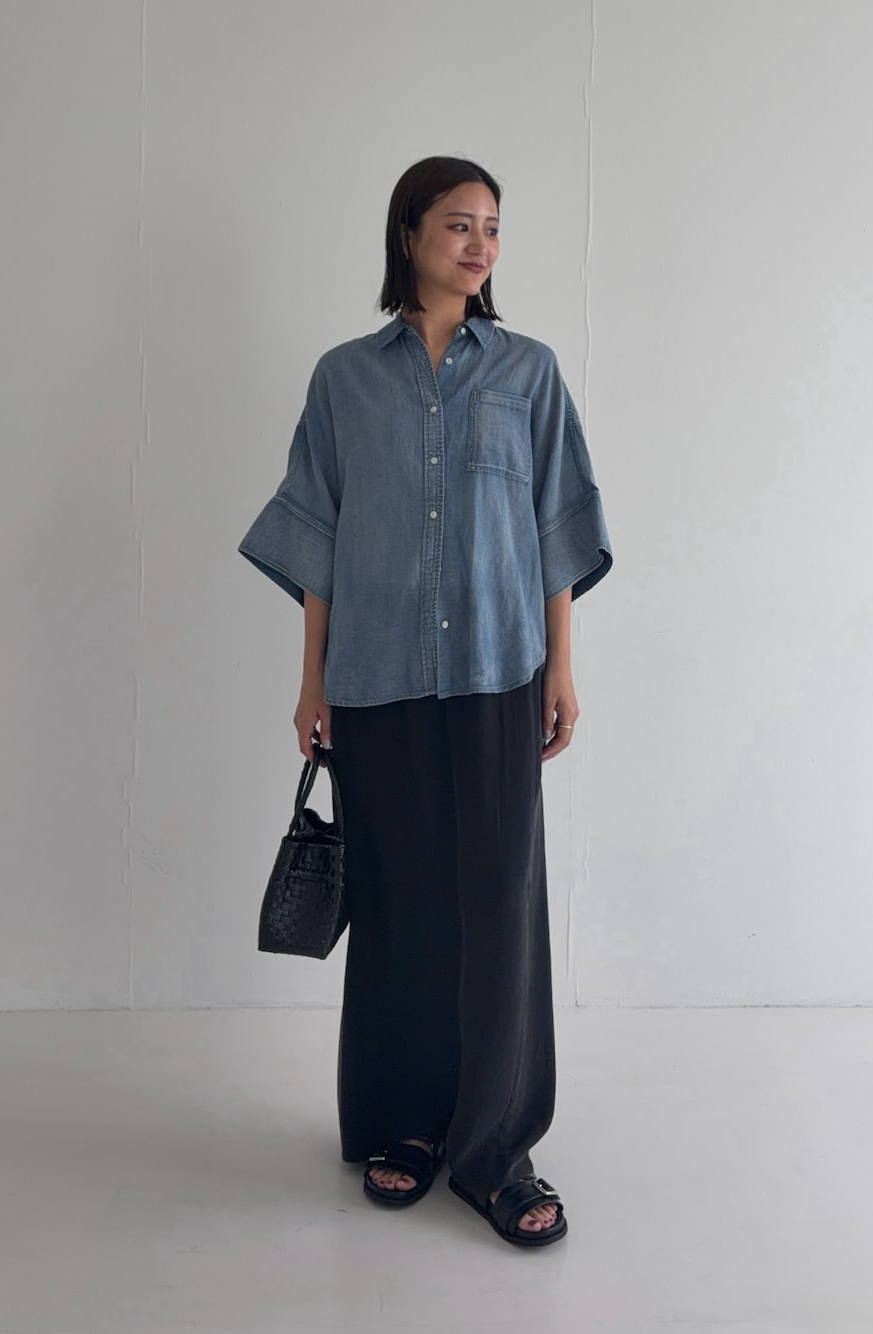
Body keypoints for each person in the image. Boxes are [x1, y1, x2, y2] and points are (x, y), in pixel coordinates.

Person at [239, 156, 611, 1247]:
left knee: (499, 908)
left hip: (499, 671)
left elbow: (555, 525)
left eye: (491, 226)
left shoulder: (529, 372)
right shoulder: (343, 379)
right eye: (458, 224)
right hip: (376, 677)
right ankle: (401, 1124)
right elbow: (318, 534)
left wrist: (560, 666)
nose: (479, 244)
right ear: (408, 234)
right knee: (398, 907)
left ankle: (494, 1151)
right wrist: (312, 679)